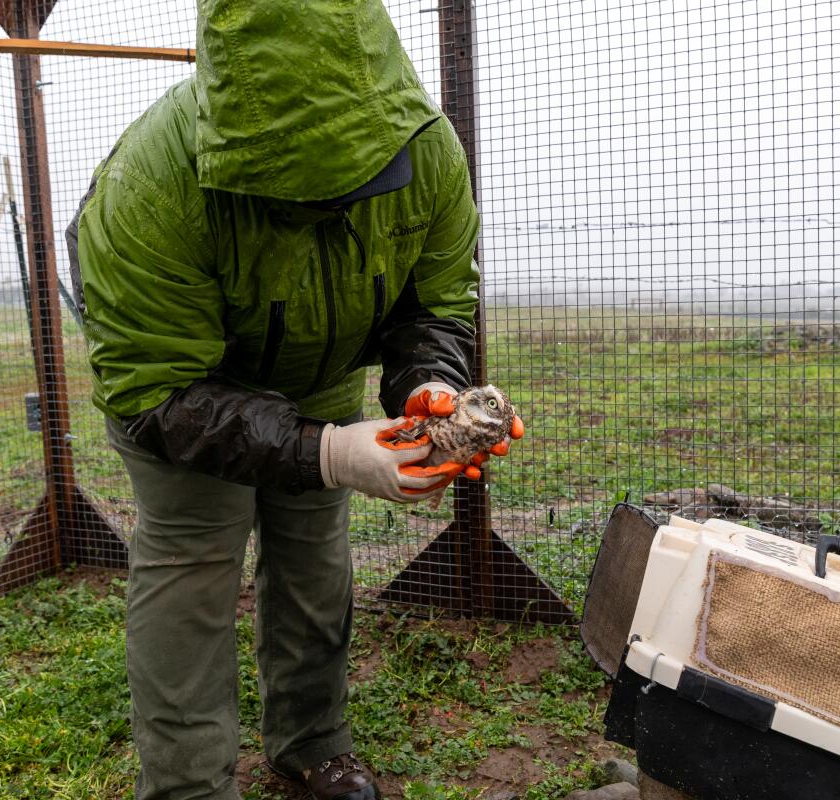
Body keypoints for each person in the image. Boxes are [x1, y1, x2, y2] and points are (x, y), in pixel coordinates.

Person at [65, 2, 516, 798]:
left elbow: (435, 302)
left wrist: (431, 393)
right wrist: (327, 451)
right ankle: (189, 787)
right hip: (180, 390)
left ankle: (313, 743)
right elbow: (156, 389)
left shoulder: (430, 151)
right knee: (192, 568)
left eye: (362, 183)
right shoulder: (151, 183)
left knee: (314, 558)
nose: (341, 209)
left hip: (320, 371)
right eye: (311, 197)